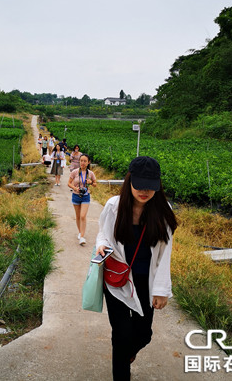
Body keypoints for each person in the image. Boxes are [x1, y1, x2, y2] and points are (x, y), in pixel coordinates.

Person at [95, 156, 177, 381]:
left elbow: (165, 254)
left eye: (150, 187)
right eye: (139, 185)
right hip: (117, 278)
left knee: (143, 333)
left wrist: (161, 290)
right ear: (129, 180)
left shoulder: (163, 212)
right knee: (120, 334)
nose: (144, 191)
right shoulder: (114, 206)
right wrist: (101, 244)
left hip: (144, 281)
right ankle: (121, 372)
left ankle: (127, 353)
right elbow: (102, 231)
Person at [68, 154, 97, 245]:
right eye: (81, 161)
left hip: (85, 196)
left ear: (88, 162)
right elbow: (69, 183)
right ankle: (80, 232)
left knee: (83, 216)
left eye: (85, 161)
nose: (83, 163)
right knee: (77, 216)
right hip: (76, 195)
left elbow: (95, 184)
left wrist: (91, 182)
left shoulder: (90, 173)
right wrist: (74, 188)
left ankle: (82, 237)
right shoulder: (75, 172)